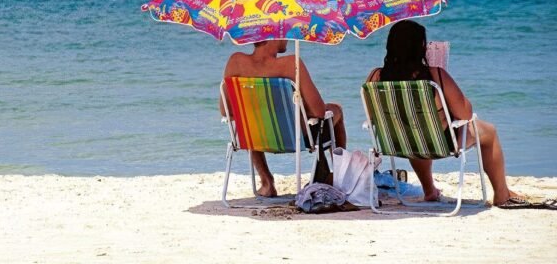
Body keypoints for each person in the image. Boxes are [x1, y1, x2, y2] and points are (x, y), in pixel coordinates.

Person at [366, 20, 523, 207]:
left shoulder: (375, 76)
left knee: (414, 131)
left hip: (400, 143)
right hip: (441, 143)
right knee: (489, 132)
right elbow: (465, 114)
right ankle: (502, 194)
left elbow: (372, 116)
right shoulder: (435, 75)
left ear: (390, 45)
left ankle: (429, 190)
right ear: (422, 47)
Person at [220, 40, 347, 197]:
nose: (287, 38)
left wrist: (262, 108)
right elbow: (319, 111)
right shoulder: (290, 64)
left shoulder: (236, 62)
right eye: (284, 34)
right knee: (336, 110)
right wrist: (297, 108)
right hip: (293, 138)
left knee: (250, 118)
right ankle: (340, 177)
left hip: (254, 137)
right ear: (274, 36)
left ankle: (266, 182)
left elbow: (226, 111)